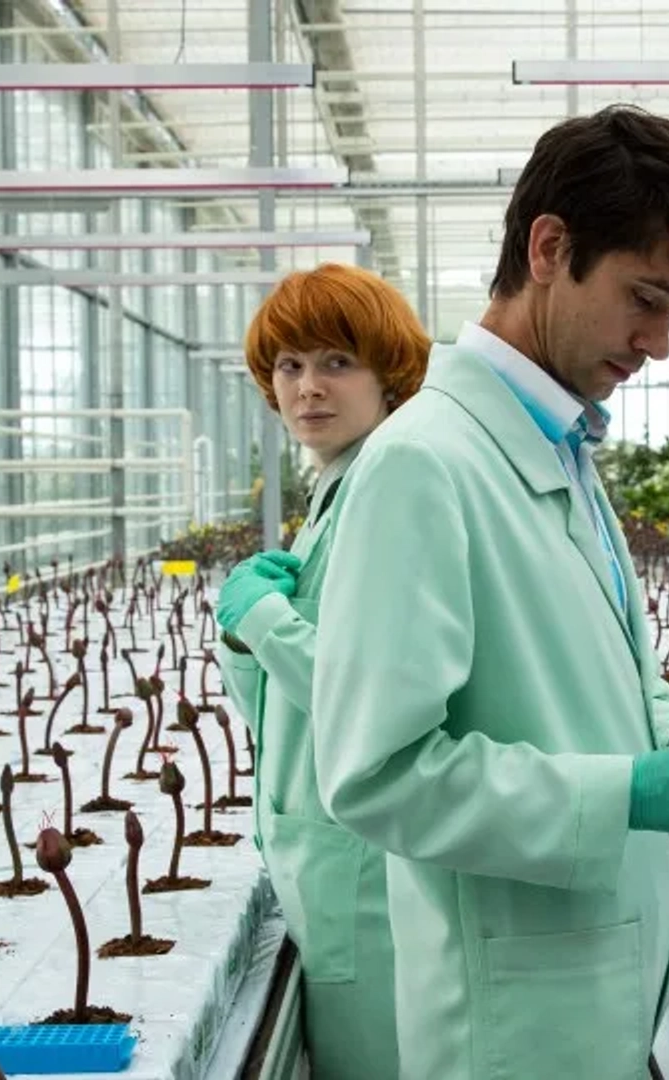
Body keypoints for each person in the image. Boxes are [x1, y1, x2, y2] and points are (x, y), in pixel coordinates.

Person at [308, 105, 669, 1079]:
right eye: (646, 298)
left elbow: (578, 677)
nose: (659, 342)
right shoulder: (426, 463)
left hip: (585, 988)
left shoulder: (559, 443)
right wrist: (627, 790)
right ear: (550, 247)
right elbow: (375, 776)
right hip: (506, 1026)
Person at [211, 262, 430, 1080]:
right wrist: (245, 643)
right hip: (329, 866)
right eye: (290, 365)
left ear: (390, 376)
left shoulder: (386, 489)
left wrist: (265, 623)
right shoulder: (337, 489)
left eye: (338, 362)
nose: (308, 387)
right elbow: (288, 702)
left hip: (367, 879)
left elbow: (365, 693)